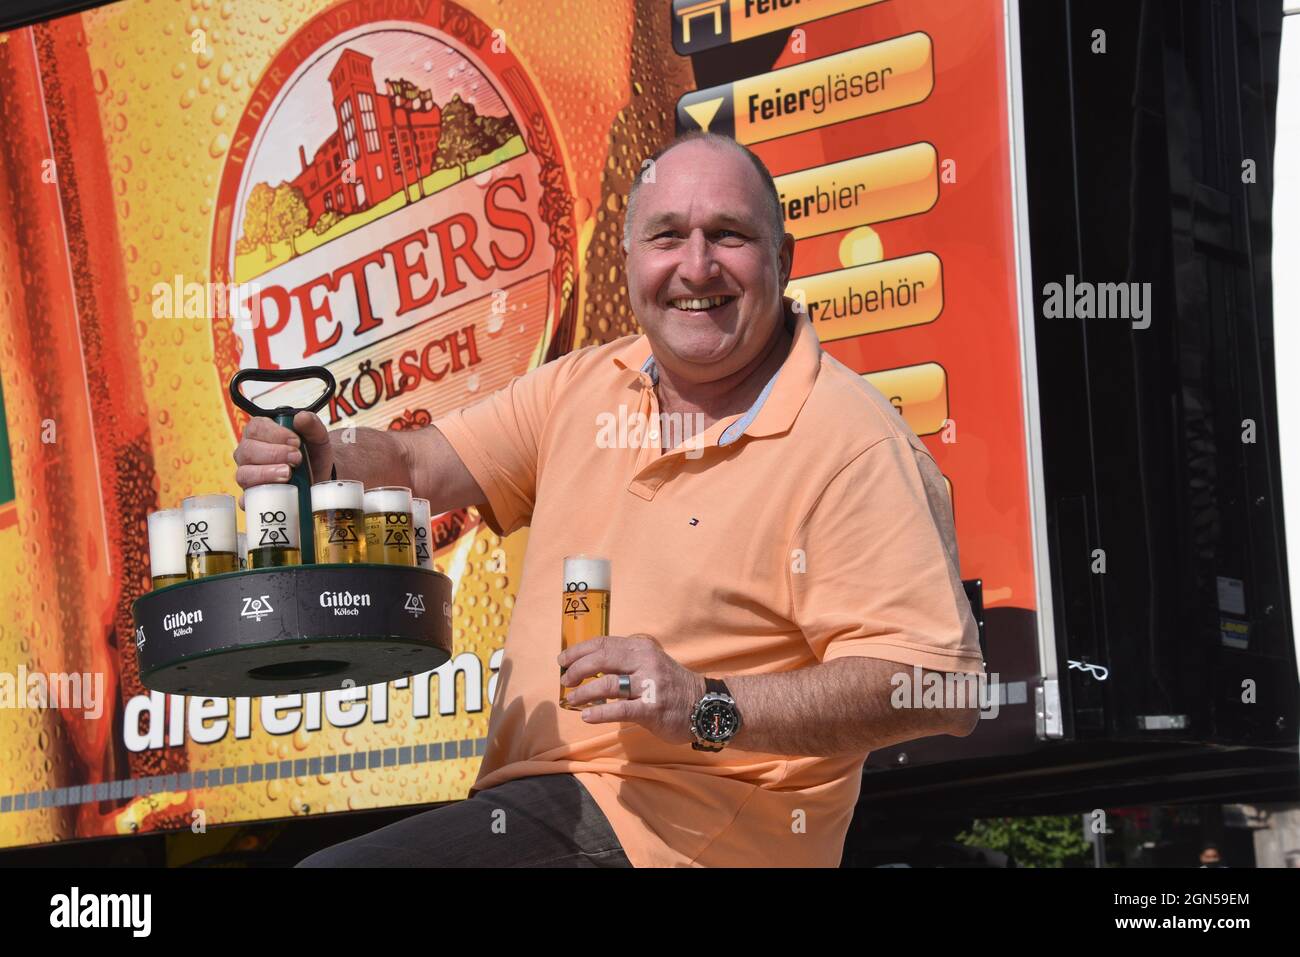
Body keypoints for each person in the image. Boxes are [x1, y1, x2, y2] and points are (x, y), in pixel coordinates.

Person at [237, 132, 985, 867]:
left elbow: (941, 684)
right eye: (667, 237)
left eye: (728, 235)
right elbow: (418, 461)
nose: (696, 266)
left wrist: (705, 703)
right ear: (629, 261)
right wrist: (323, 454)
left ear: (784, 260)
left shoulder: (849, 437)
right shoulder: (585, 385)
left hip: (682, 838)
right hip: (542, 811)